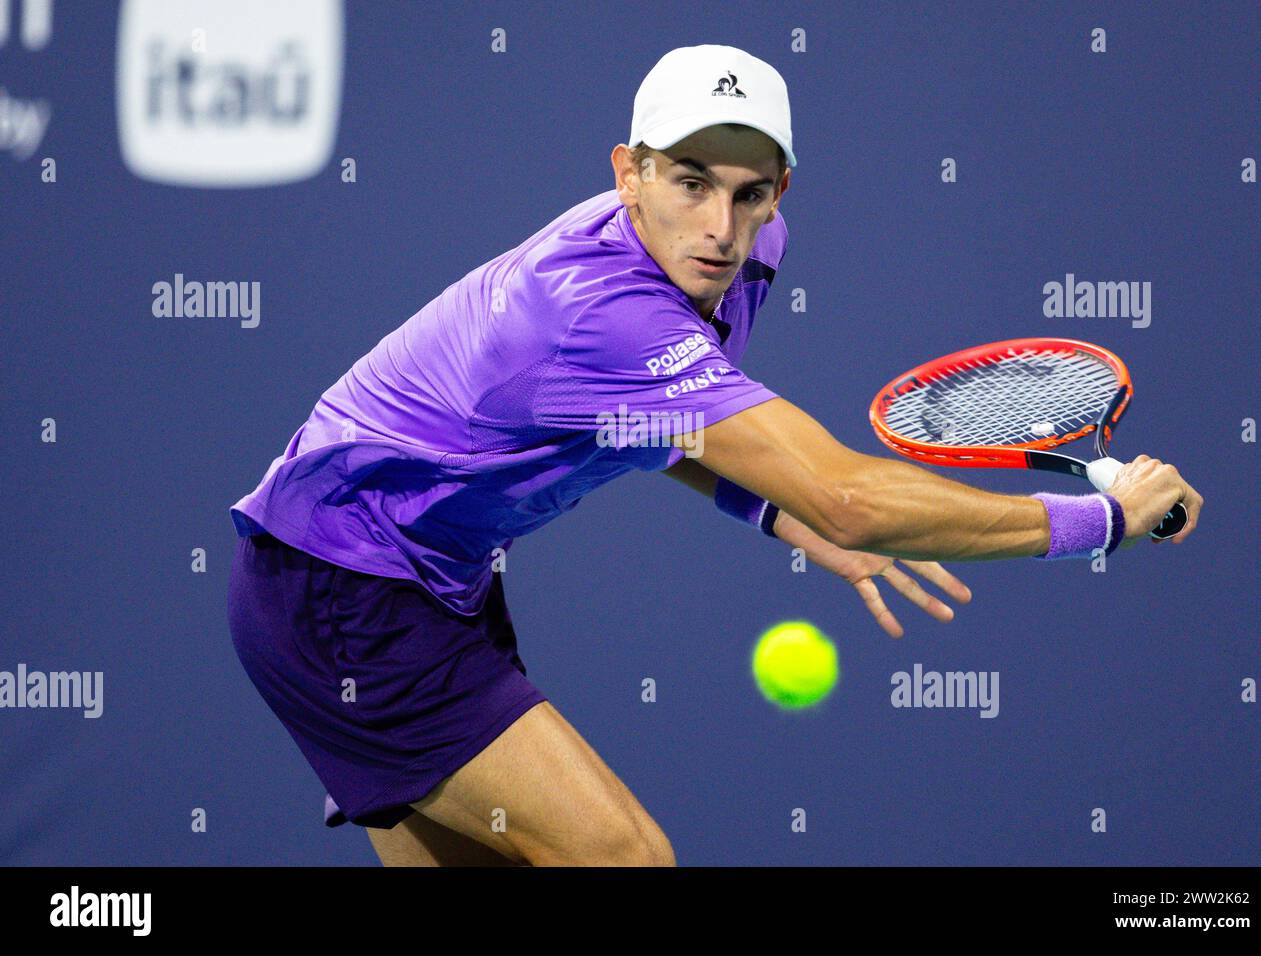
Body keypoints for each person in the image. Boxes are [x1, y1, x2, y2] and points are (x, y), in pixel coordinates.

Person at [226, 44, 1202, 867]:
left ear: (779, 190)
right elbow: (851, 498)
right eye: (689, 183)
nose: (720, 228)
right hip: (341, 589)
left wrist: (778, 514)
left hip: (416, 577)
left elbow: (660, 423)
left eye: (748, 193)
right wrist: (1101, 523)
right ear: (628, 172)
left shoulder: (749, 250)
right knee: (626, 858)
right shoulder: (595, 310)